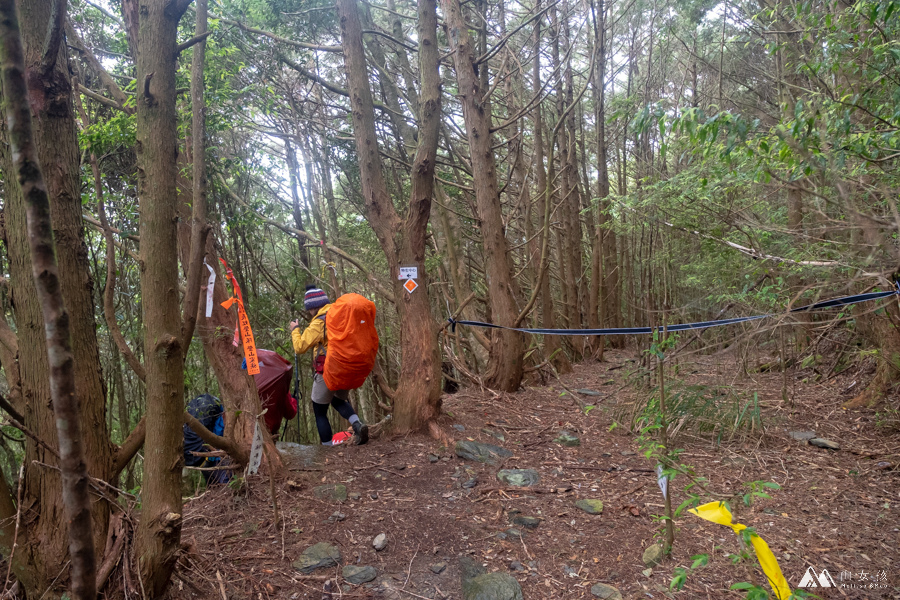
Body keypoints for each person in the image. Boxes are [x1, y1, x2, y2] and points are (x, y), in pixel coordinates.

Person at [290, 285, 369, 446]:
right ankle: (357, 425)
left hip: (328, 370)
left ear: (312, 307)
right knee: (337, 400)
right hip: (347, 367)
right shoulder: (340, 315)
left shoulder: (320, 321)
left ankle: (326, 449)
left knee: (319, 411)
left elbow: (300, 347)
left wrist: (295, 329)